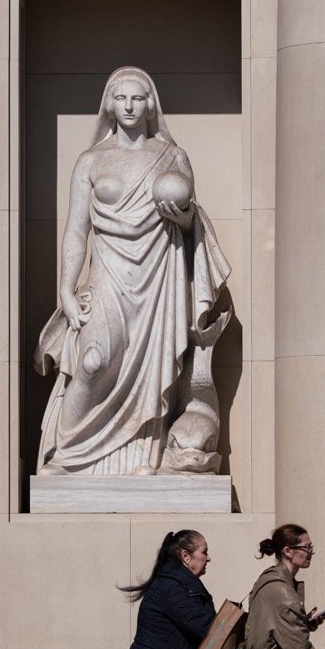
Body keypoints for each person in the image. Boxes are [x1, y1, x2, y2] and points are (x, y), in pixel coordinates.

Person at [34, 66, 231, 476]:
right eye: (120, 97)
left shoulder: (173, 157)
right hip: (108, 273)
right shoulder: (90, 161)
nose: (128, 105)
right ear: (108, 103)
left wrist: (180, 216)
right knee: (92, 361)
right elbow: (76, 230)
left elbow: (189, 224)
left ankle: (146, 458)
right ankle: (66, 454)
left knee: (153, 366)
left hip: (158, 276)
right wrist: (66, 291)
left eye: (137, 97)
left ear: (150, 104)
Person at [120, 530, 216, 649]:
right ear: (185, 556)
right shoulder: (175, 587)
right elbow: (205, 628)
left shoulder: (175, 583)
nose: (208, 558)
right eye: (204, 552)